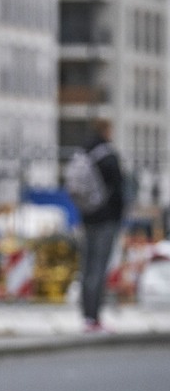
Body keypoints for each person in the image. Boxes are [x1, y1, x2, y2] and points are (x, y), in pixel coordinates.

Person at [79, 121, 124, 332]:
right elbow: (119, 189)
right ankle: (94, 317)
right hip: (106, 220)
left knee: (87, 268)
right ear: (107, 131)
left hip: (87, 218)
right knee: (99, 269)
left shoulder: (84, 153)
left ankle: (86, 315)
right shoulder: (108, 156)